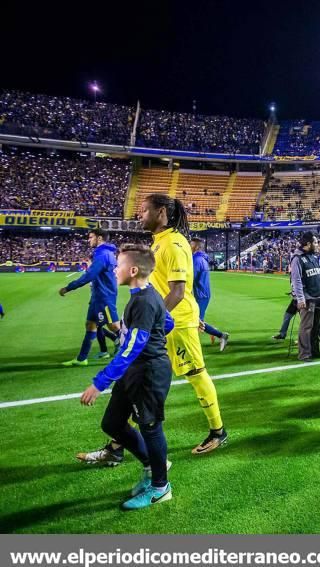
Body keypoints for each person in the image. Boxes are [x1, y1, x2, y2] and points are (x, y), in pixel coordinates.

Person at [78, 244, 174, 510]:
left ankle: (160, 487)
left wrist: (100, 382)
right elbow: (168, 323)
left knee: (151, 428)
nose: (113, 269)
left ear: (132, 270)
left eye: (118, 265)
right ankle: (150, 466)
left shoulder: (143, 300)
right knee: (112, 423)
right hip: (135, 370)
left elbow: (132, 347)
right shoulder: (144, 295)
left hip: (148, 373)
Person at [140, 193, 228, 454]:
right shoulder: (159, 242)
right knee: (141, 379)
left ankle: (218, 431)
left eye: (145, 210)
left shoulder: (175, 243)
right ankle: (119, 442)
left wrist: (152, 321)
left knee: (196, 373)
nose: (140, 215)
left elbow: (178, 291)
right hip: (164, 323)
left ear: (161, 213)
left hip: (176, 323)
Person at [60, 228, 121, 366]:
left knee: (114, 326)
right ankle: (82, 359)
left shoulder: (102, 255)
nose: (89, 240)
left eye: (91, 237)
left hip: (104, 297)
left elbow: (89, 276)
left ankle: (138, 352)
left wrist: (69, 287)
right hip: (98, 297)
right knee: (91, 325)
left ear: (99, 238)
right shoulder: (106, 253)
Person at [289, 232, 320, 362]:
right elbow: (296, 280)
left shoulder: (314, 257)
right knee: (306, 327)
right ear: (308, 244)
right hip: (307, 299)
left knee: (316, 326)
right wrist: (300, 299)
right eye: (315, 242)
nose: (317, 245)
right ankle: (304, 354)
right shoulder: (297, 259)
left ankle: (314, 350)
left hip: (318, 297)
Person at [190, 238, 229, 352]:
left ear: (196, 247)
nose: (188, 247)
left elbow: (191, 278)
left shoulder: (196, 259)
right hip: (202, 294)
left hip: (200, 295)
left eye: (190, 245)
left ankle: (220, 335)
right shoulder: (202, 258)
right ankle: (216, 333)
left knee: (196, 322)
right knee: (195, 320)